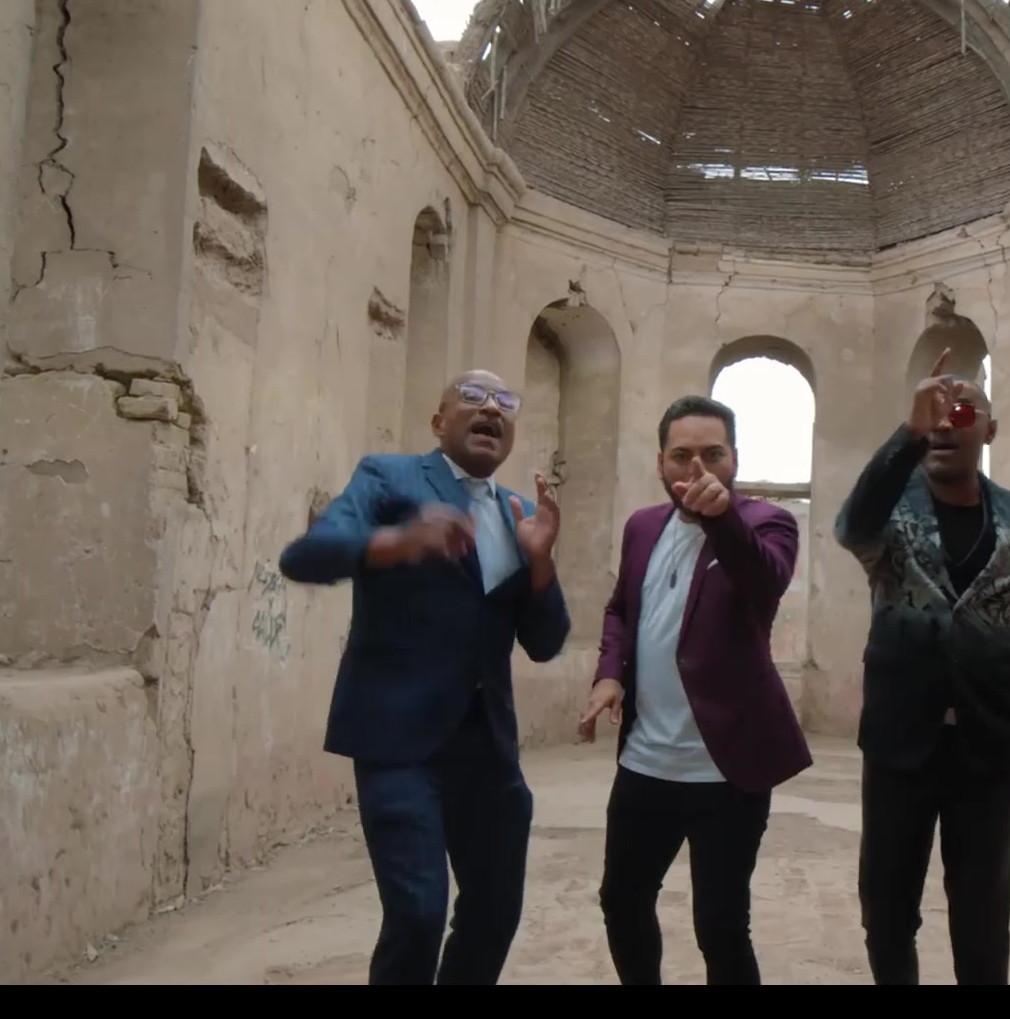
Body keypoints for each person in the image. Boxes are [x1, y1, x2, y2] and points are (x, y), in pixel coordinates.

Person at [277, 369, 570, 985]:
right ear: (439, 422)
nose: (491, 408)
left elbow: (545, 644)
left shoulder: (518, 512)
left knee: (493, 913)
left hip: (488, 754)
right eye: (473, 397)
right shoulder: (389, 477)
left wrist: (540, 563)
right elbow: (304, 556)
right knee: (416, 914)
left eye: (504, 402)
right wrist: (394, 543)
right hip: (398, 743)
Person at [833, 348, 1010, 986]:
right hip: (899, 746)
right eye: (934, 411)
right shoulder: (890, 513)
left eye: (963, 410)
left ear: (989, 429)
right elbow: (849, 525)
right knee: (888, 912)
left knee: (982, 917)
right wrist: (906, 434)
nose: (946, 422)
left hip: (986, 748)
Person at [578, 394, 812, 985]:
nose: (697, 468)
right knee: (622, 902)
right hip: (645, 763)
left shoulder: (767, 523)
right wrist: (610, 673)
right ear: (661, 462)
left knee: (722, 925)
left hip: (728, 771)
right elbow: (620, 609)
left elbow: (764, 579)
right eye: (682, 455)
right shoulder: (642, 527)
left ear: (735, 459)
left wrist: (721, 518)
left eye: (713, 454)